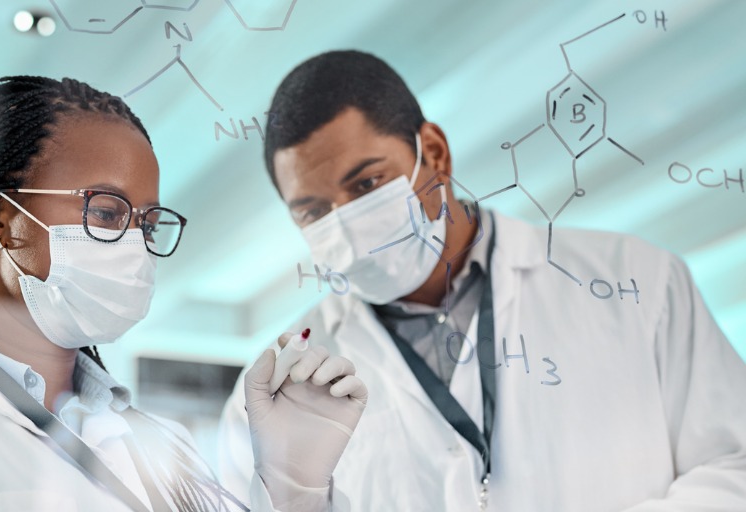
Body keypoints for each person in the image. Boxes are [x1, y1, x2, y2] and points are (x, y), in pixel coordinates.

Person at [0, 76, 369, 511]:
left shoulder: (165, 450)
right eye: (106, 211)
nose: (132, 243)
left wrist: (294, 484)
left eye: (146, 223)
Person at [218, 50, 746, 511]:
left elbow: (736, 467)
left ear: (436, 156)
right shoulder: (278, 390)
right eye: (313, 212)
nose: (346, 224)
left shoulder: (639, 281)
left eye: (368, 183)